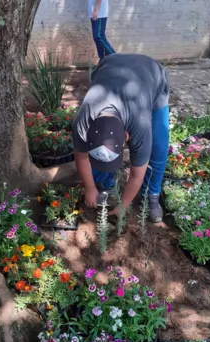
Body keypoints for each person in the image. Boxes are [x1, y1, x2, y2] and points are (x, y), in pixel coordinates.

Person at [72, 53, 170, 223]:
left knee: (159, 147)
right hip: (108, 65)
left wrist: (124, 205)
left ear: (126, 136)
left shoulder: (140, 126)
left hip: (151, 75)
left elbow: (136, 175)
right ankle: (104, 183)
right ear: (88, 134)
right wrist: (90, 188)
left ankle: (152, 193)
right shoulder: (83, 121)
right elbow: (81, 155)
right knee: (98, 170)